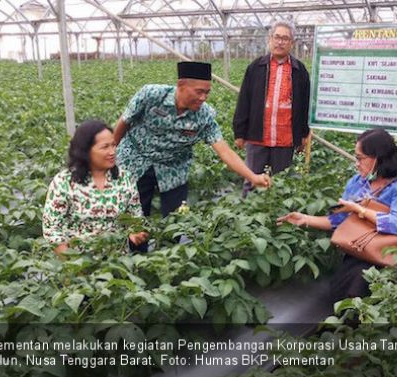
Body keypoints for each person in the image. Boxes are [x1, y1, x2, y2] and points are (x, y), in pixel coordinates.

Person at [114, 61, 270, 223]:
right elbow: (124, 122)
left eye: (207, 93)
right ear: (181, 85)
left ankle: (172, 246)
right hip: (136, 161)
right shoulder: (151, 95)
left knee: (176, 223)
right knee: (134, 220)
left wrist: (253, 177)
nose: (203, 98)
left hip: (173, 168)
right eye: (199, 92)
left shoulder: (204, 115)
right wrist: (108, 159)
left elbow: (225, 151)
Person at [277, 128, 397, 301]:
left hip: (392, 253)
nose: (356, 163)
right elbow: (339, 221)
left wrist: (360, 210)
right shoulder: (358, 182)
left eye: (360, 158)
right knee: (344, 286)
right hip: (362, 250)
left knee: (361, 282)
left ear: (378, 158)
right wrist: (305, 219)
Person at [43, 120, 148, 256]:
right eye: (105, 147)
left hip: (117, 263)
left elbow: (135, 217)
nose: (112, 152)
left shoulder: (124, 179)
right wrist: (73, 265)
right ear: (85, 151)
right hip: (78, 263)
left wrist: (135, 231)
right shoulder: (64, 182)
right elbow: (52, 230)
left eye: (113, 145)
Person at [233, 20, 311, 195]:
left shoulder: (299, 70)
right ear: (270, 39)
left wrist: (303, 134)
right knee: (252, 180)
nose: (280, 42)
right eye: (277, 37)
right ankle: (247, 216)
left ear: (292, 43)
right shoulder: (256, 67)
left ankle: (276, 218)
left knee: (281, 182)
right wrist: (239, 132)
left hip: (285, 137)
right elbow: (244, 99)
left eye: (285, 38)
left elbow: (304, 104)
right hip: (257, 135)